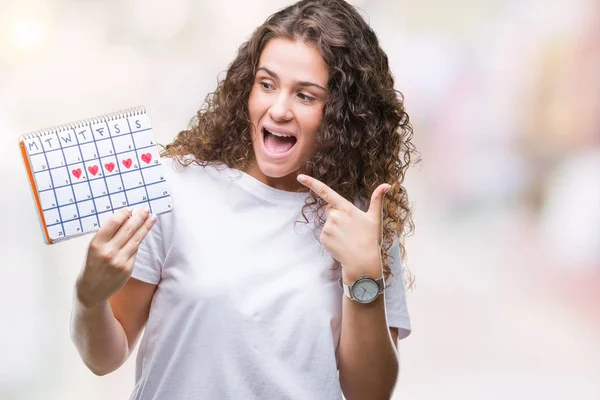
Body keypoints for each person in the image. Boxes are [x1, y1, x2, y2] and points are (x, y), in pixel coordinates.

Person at [70, 0, 417, 398]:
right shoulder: (176, 187)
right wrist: (89, 295)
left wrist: (363, 272)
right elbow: (103, 359)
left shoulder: (359, 220)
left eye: (306, 96)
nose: (279, 109)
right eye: (266, 84)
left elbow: (368, 394)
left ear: (345, 114)